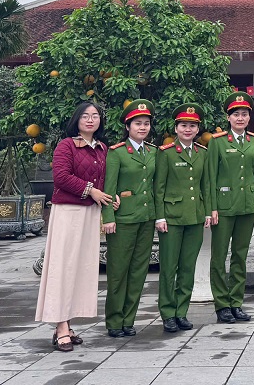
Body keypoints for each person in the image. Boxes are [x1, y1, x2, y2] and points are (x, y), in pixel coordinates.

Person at [36, 101, 113, 352]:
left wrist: (111, 195)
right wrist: (91, 191)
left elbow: (105, 180)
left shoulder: (102, 149)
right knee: (64, 267)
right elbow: (61, 177)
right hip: (68, 212)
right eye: (85, 116)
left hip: (90, 214)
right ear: (76, 120)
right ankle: (60, 326)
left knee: (81, 269)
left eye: (95, 116)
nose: (91, 120)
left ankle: (68, 324)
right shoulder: (66, 145)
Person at [101, 99, 157, 338]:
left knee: (138, 271)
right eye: (137, 123)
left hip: (146, 217)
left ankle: (129, 319)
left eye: (146, 123)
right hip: (122, 219)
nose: (142, 127)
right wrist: (108, 217)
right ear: (128, 126)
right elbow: (108, 187)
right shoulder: (117, 153)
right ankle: (114, 320)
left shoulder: (154, 152)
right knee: (118, 271)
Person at [154, 103, 212, 333]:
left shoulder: (202, 153)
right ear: (176, 128)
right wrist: (159, 216)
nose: (187, 130)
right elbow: (158, 188)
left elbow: (205, 185)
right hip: (171, 217)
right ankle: (168, 313)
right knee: (169, 267)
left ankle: (181, 311)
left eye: (192, 126)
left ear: (198, 129)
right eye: (183, 125)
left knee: (188, 267)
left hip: (194, 217)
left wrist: (207, 212)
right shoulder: (166, 153)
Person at [208, 92, 254, 323]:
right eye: (236, 114)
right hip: (223, 207)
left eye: (244, 114)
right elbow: (210, 177)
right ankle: (222, 304)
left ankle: (236, 302)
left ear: (249, 118)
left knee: (240, 256)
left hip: (247, 206)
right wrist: (211, 208)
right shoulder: (218, 141)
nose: (240, 118)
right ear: (228, 117)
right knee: (219, 257)